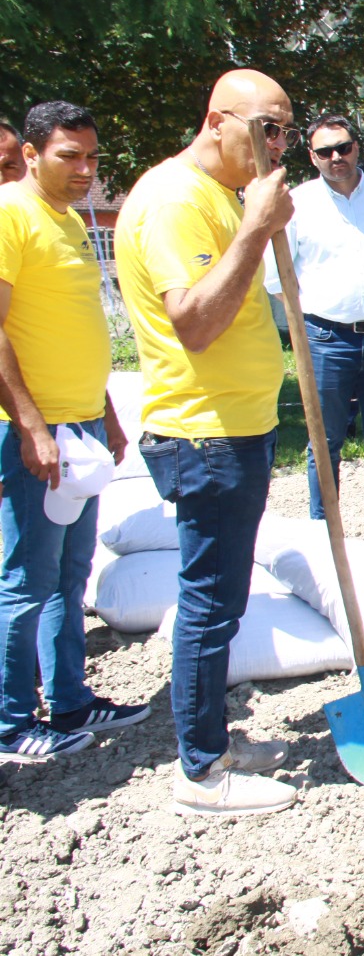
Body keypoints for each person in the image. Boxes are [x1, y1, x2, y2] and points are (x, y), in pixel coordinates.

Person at [116, 68, 298, 815]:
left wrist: (253, 223)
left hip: (237, 427)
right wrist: (256, 227)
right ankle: (202, 769)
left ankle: (216, 737)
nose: (278, 145)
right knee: (211, 602)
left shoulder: (219, 196)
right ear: (217, 120)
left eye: (283, 129)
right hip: (205, 434)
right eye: (267, 129)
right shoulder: (173, 200)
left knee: (222, 598)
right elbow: (193, 321)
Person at [0, 101, 148, 763]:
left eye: (92, 157)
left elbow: (76, 325)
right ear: (30, 154)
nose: (85, 170)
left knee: (69, 575)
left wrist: (107, 411)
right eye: (69, 156)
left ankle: (69, 700)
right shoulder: (11, 215)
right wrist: (31, 425)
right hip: (36, 431)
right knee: (26, 578)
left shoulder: (68, 221)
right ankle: (9, 720)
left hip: (82, 423)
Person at [263, 114, 364, 549]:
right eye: (325, 151)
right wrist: (315, 315)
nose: (336, 157)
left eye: (344, 147)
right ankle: (324, 535)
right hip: (325, 340)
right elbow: (277, 277)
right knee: (323, 442)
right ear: (311, 156)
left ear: (357, 148)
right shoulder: (296, 203)